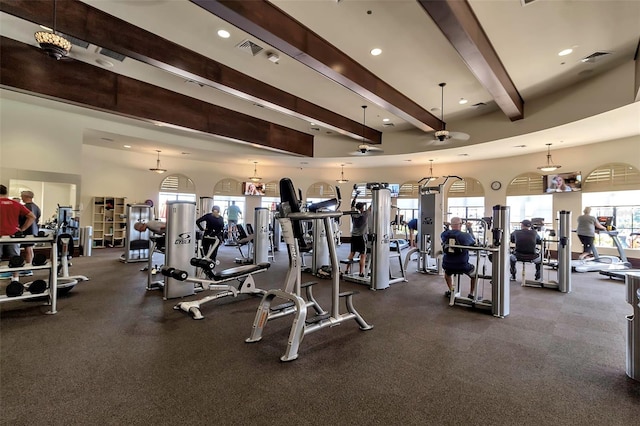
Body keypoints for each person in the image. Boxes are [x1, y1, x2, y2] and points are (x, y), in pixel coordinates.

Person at [0, 184, 36, 280]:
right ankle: (15, 279)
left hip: (1, 235)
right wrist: (22, 229)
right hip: (13, 235)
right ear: (6, 193)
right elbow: (32, 217)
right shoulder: (16, 204)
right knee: (15, 258)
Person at [441, 217, 477, 299]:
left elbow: (445, 235)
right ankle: (472, 294)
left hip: (447, 265)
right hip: (462, 265)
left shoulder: (444, 234)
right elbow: (473, 241)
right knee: (475, 275)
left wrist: (447, 227)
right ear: (460, 225)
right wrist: (469, 228)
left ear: (451, 225)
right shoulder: (466, 236)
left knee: (447, 274)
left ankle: (451, 291)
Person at [18, 190, 41, 277]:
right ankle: (29, 266)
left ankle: (28, 269)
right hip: (33, 230)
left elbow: (31, 218)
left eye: (22, 196)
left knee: (28, 249)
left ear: (26, 196)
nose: (21, 198)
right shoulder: (36, 207)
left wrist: (22, 228)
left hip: (28, 230)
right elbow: (37, 218)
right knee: (29, 249)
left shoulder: (26, 207)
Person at [345, 199, 370, 277]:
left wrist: (355, 196)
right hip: (361, 237)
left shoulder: (353, 214)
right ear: (362, 208)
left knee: (352, 253)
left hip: (353, 237)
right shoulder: (365, 214)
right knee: (363, 255)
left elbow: (352, 205)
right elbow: (372, 207)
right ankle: (361, 272)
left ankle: (346, 270)